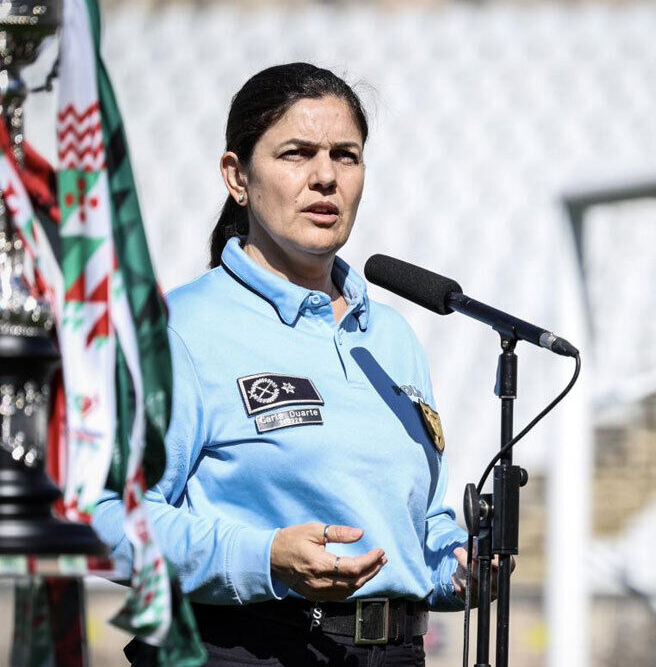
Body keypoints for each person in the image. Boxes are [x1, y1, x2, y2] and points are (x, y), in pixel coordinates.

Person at [93, 63, 473, 666]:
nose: (325, 177)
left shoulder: (393, 337)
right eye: (297, 153)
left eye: (345, 156)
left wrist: (459, 561)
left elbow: (420, 519)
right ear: (236, 177)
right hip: (249, 649)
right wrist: (264, 557)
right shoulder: (179, 329)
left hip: (397, 653)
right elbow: (108, 520)